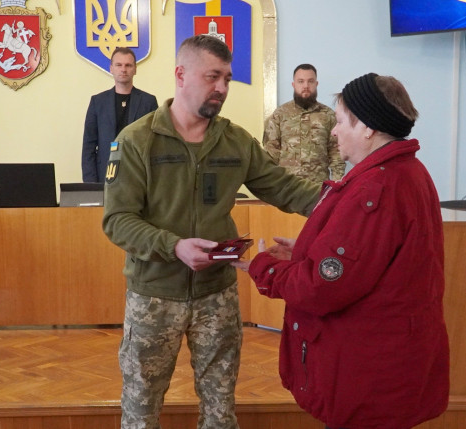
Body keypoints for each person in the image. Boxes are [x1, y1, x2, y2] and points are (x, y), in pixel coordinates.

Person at [102, 35, 321, 429]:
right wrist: (174, 246)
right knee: (140, 412)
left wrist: (345, 203)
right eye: (212, 77)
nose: (222, 87)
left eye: (227, 79)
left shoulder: (235, 141)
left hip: (217, 295)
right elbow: (117, 220)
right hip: (154, 297)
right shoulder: (136, 141)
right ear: (181, 75)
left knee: (220, 411)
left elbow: (285, 188)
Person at [233, 73, 450, 429]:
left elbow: (321, 287)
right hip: (389, 363)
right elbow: (371, 259)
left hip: (367, 375)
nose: (333, 132)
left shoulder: (374, 189)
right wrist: (306, 251)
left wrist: (265, 268)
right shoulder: (407, 171)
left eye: (339, 122)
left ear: (367, 128)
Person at [82, 47, 158, 182]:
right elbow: (89, 147)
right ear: (111, 68)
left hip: (139, 176)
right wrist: (91, 185)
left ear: (135, 69)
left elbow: (156, 144)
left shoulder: (148, 101)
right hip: (105, 177)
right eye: (119, 65)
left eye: (128, 65)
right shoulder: (97, 102)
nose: (123, 69)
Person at [262, 63, 345, 184]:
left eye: (310, 81)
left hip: (318, 187)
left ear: (316, 84)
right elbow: (270, 154)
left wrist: (337, 184)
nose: (306, 86)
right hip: (287, 186)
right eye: (300, 81)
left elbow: (336, 152)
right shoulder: (280, 115)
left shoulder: (329, 115)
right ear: (293, 84)